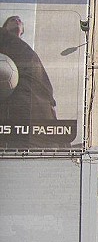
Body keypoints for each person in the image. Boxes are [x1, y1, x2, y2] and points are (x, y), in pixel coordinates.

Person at [0, 15, 62, 148]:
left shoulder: (26, 49)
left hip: (39, 107)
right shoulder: (4, 39)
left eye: (19, 20)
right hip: (15, 109)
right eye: (12, 19)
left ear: (22, 29)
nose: (16, 20)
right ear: (5, 26)